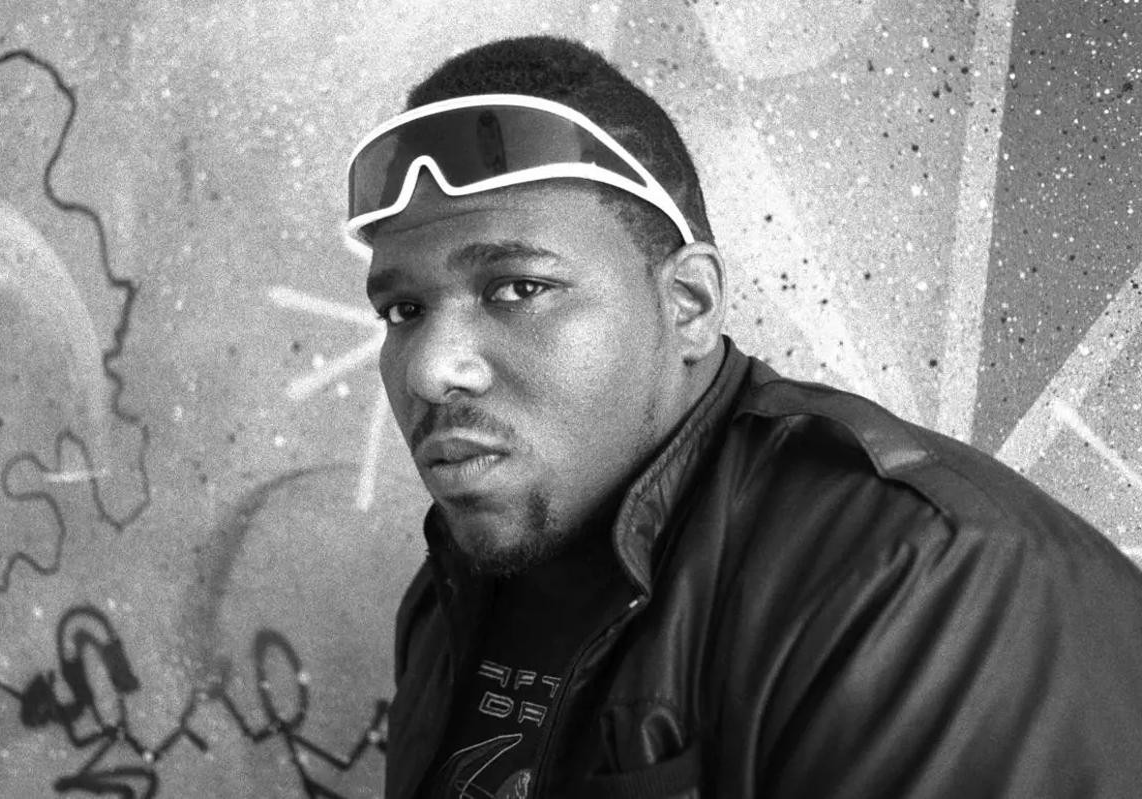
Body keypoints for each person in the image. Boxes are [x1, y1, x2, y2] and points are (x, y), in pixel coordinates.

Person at [345, 35, 1142, 799]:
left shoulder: (930, 584)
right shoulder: (461, 572)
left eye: (518, 288)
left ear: (689, 304)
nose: (429, 369)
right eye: (404, 309)